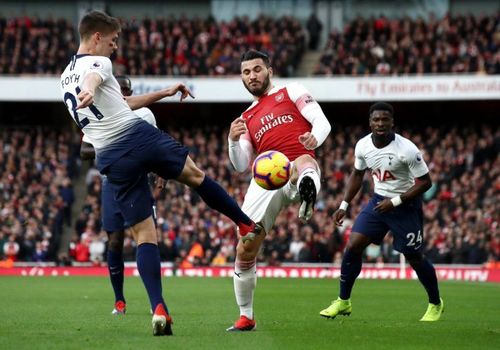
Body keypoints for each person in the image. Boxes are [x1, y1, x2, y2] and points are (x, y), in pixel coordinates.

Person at [61, 10, 261, 336]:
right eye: (112, 41)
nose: (114, 47)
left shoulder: (64, 76)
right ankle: (245, 223)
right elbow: (94, 79)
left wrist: (164, 92)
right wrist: (89, 88)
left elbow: (120, 101)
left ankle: (159, 308)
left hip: (111, 160)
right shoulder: (97, 64)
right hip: (136, 138)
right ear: (96, 37)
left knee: (144, 235)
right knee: (195, 176)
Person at [227, 49, 331, 331]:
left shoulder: (292, 90)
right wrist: (232, 141)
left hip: (294, 163)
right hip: (264, 179)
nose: (252, 76)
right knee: (246, 247)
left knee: (305, 161)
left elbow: (322, 122)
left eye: (257, 69)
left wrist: (314, 137)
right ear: (242, 77)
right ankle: (246, 316)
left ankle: (308, 190)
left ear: (269, 71)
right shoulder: (246, 116)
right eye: (247, 72)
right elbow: (239, 165)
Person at [319, 102, 444, 322]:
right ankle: (343, 301)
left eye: (385, 119)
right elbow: (357, 175)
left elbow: (425, 183)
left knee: (414, 257)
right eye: (376, 120)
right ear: (370, 122)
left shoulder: (407, 149)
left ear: (392, 122)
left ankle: (435, 303)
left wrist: (395, 202)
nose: (380, 124)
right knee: (353, 245)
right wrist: (343, 205)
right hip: (379, 202)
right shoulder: (362, 146)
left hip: (406, 206)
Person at [80, 75, 163, 316]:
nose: (123, 93)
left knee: (146, 238)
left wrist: (161, 171)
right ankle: (119, 301)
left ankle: (155, 301)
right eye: (120, 89)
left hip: (139, 181)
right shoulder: (97, 112)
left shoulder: (145, 113)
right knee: (115, 241)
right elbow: (84, 150)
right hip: (111, 183)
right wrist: (109, 145)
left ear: (131, 91)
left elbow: (156, 145)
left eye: (126, 89)